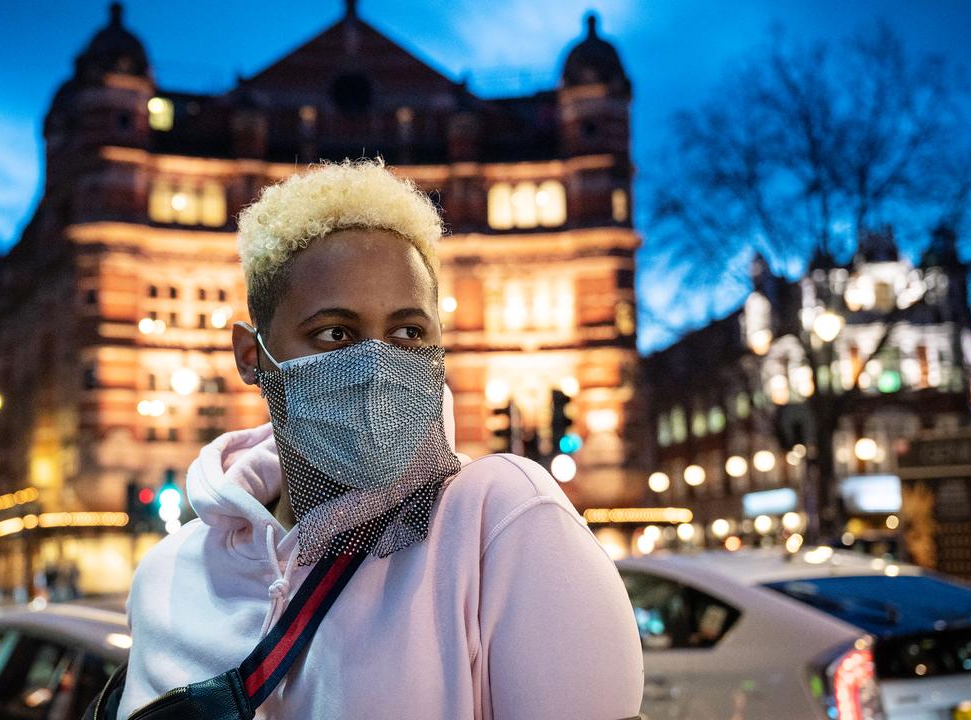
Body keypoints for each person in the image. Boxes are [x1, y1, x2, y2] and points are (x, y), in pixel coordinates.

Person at [118, 159, 643, 719]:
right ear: (252, 356)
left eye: (407, 332)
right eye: (335, 333)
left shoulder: (501, 520)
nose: (376, 364)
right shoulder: (167, 574)